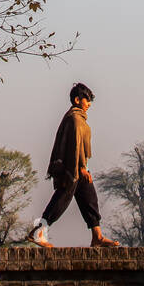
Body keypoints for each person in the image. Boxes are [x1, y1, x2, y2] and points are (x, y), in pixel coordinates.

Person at [29, 83, 119, 247]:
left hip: (76, 168)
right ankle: (38, 232)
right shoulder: (75, 119)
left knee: (89, 196)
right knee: (61, 199)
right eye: (87, 100)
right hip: (71, 169)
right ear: (77, 100)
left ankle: (97, 236)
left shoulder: (77, 117)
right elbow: (75, 146)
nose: (89, 104)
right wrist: (82, 168)